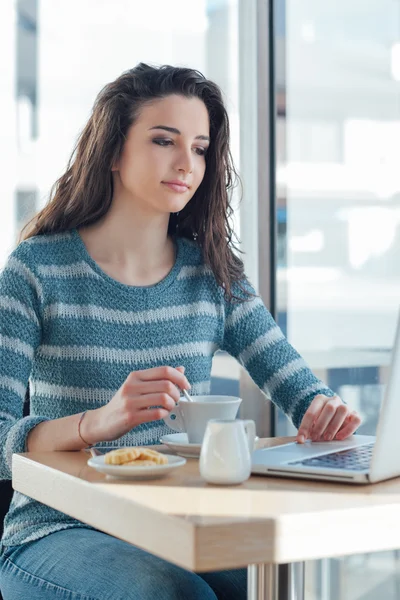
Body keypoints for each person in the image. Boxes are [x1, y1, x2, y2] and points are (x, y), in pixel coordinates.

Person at [0, 63, 361, 600]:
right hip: (57, 531)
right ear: (114, 152)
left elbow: (301, 388)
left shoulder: (214, 276)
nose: (186, 164)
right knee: (171, 593)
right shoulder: (35, 270)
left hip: (178, 525)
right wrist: (96, 423)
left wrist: (326, 412)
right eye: (164, 141)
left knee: (281, 581)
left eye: (199, 147)